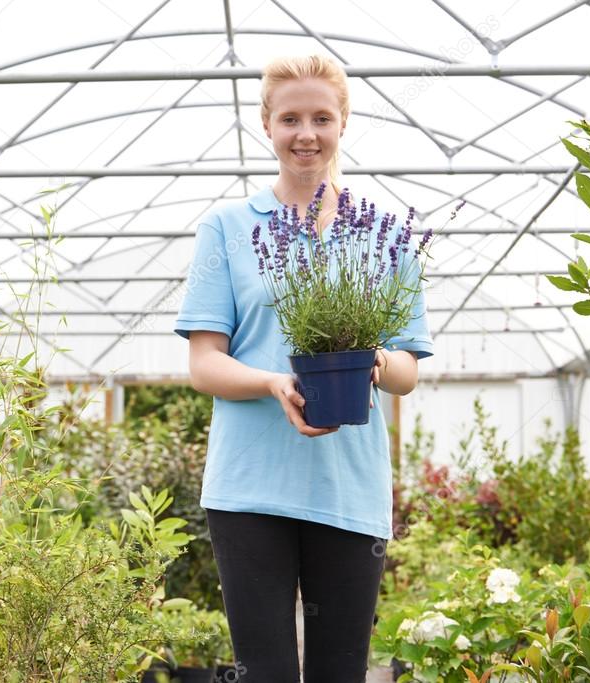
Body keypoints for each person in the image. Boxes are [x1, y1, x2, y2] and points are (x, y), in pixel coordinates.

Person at [173, 54, 433, 681]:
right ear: (267, 124)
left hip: (347, 486)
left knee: (340, 673)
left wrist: (371, 360)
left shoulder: (388, 235)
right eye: (290, 118)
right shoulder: (228, 228)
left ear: (344, 122)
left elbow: (407, 371)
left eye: (322, 117)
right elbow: (204, 363)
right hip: (248, 485)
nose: (306, 134)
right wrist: (271, 382)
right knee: (265, 673)